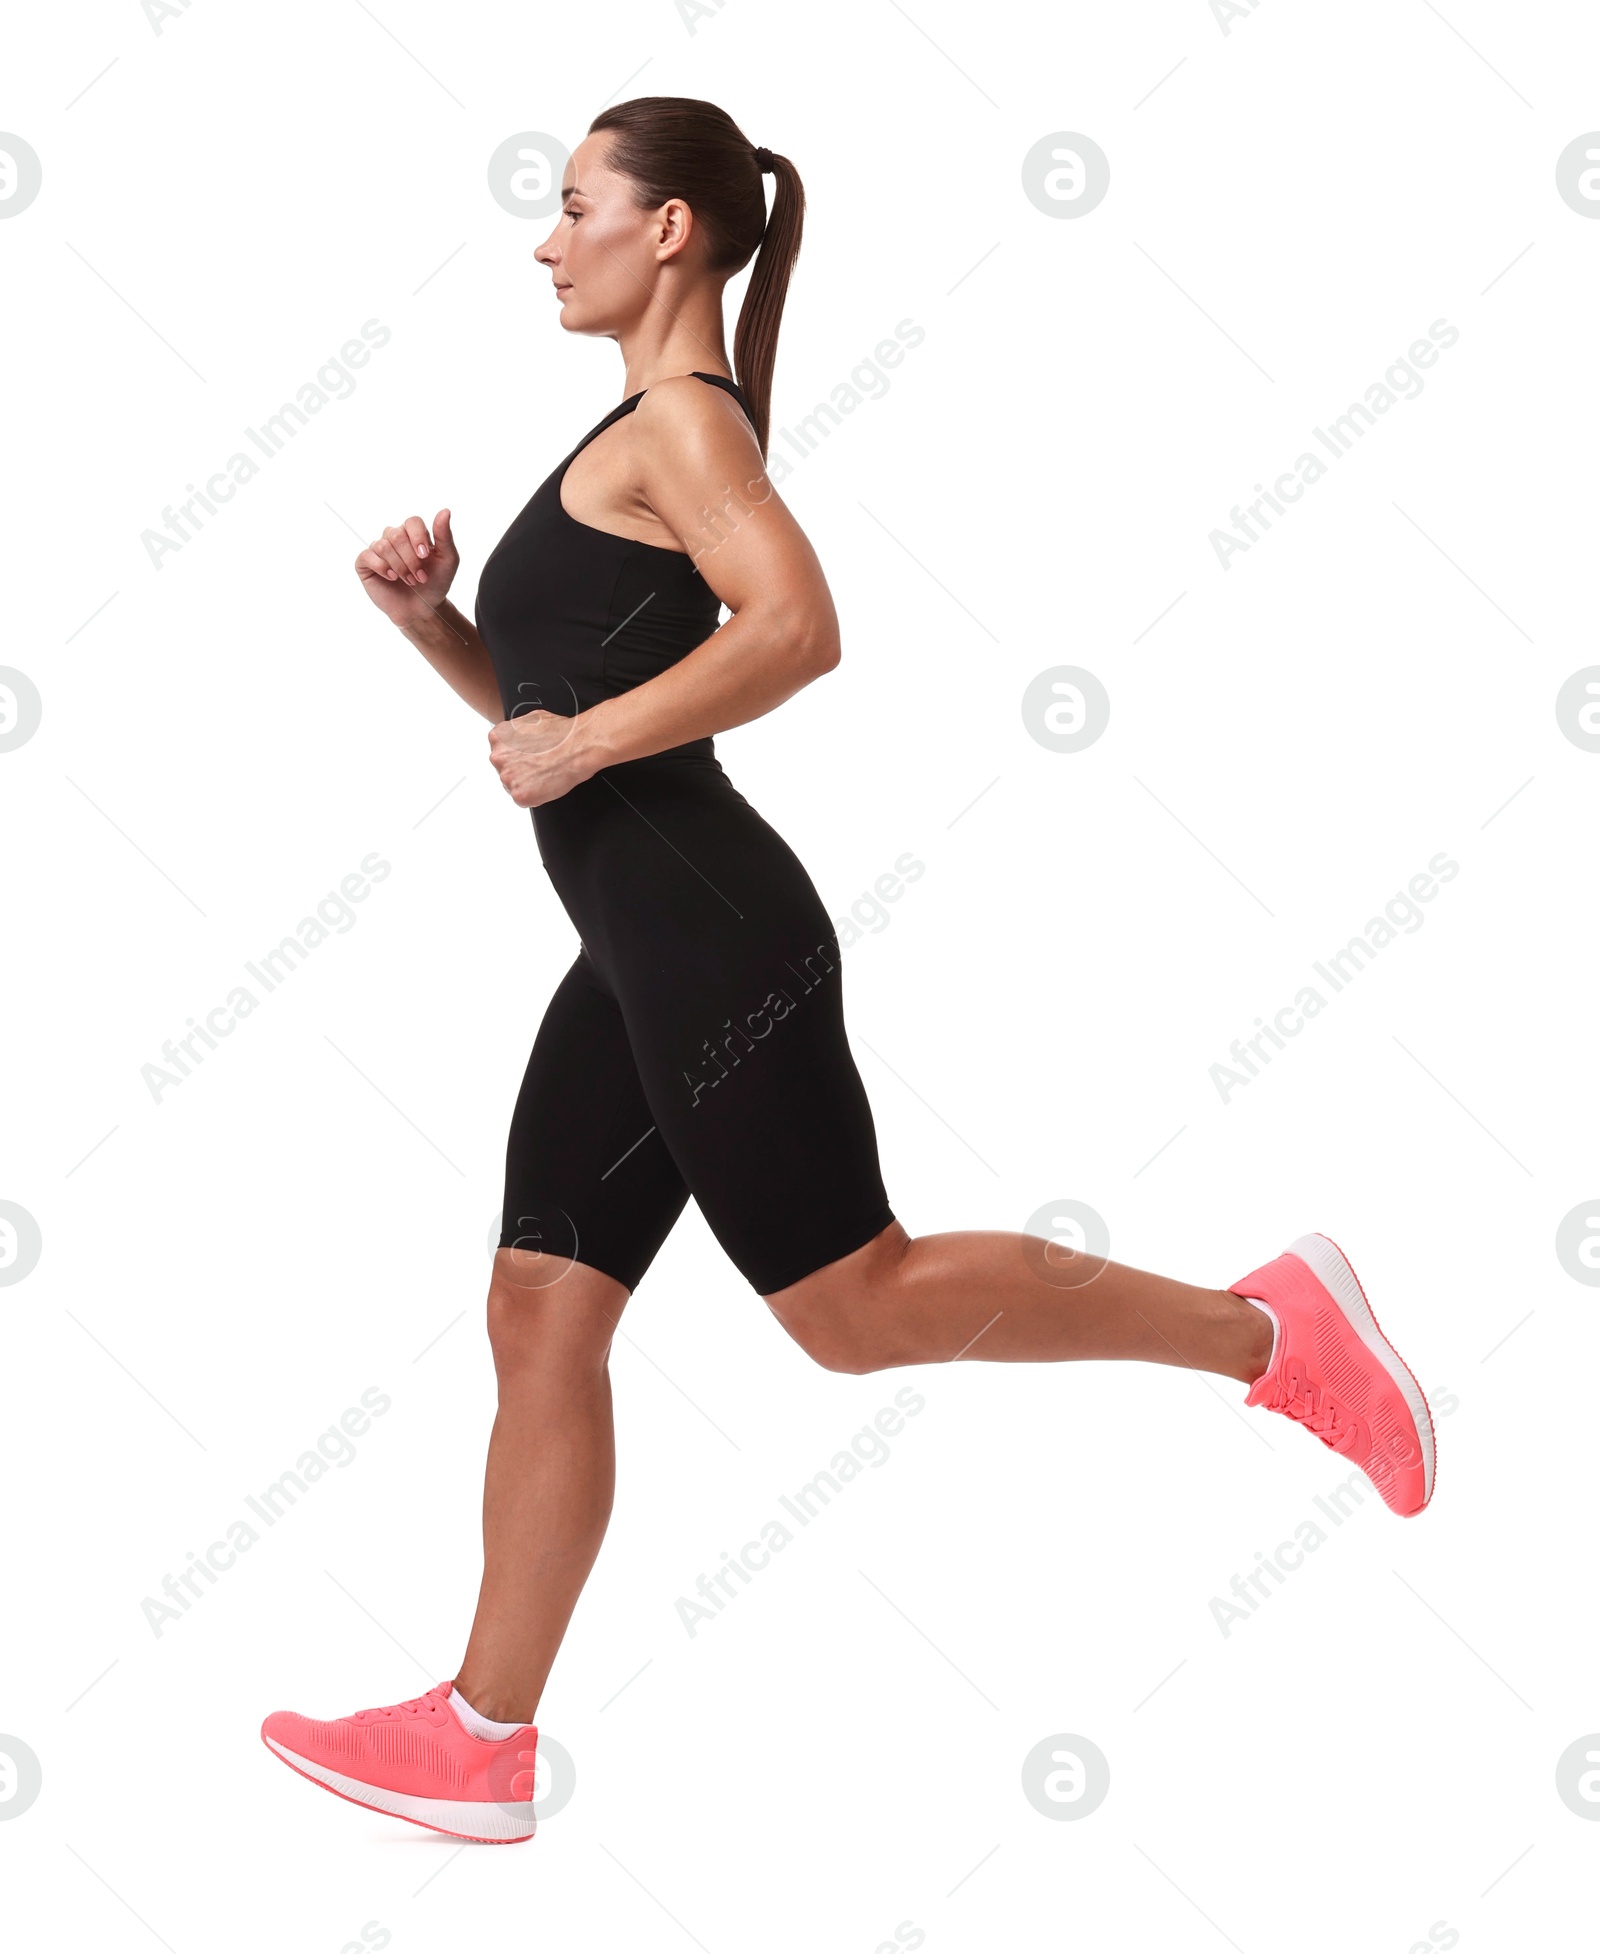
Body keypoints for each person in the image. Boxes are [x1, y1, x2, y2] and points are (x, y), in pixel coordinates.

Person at [260, 97, 1434, 1844]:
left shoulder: (681, 425)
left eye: (570, 202)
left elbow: (797, 629)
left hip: (714, 941)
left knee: (854, 1308)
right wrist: (447, 635)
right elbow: (572, 707)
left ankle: (1273, 1332)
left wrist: (572, 752)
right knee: (539, 1304)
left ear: (666, 231)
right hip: (639, 953)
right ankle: (480, 1732)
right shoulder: (643, 430)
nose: (542, 236)